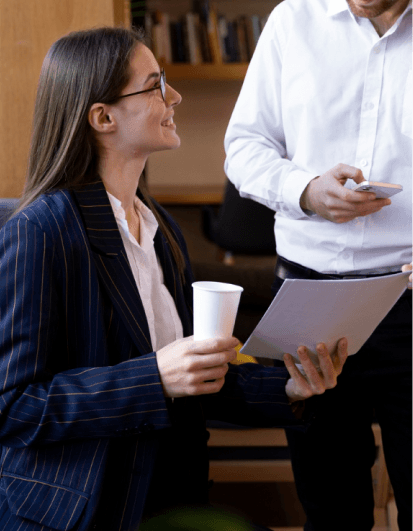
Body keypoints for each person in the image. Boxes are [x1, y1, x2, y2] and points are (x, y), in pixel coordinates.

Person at [0, 27, 348, 531]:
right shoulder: (42, 232)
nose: (175, 96)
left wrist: (292, 388)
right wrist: (154, 377)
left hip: (171, 493)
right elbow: (13, 407)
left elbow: (195, 378)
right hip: (84, 510)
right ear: (103, 117)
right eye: (155, 85)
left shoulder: (160, 228)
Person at [225, 0, 412, 531]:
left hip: (411, 293)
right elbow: (243, 148)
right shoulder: (290, 23)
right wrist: (303, 190)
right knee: (327, 502)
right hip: (307, 298)